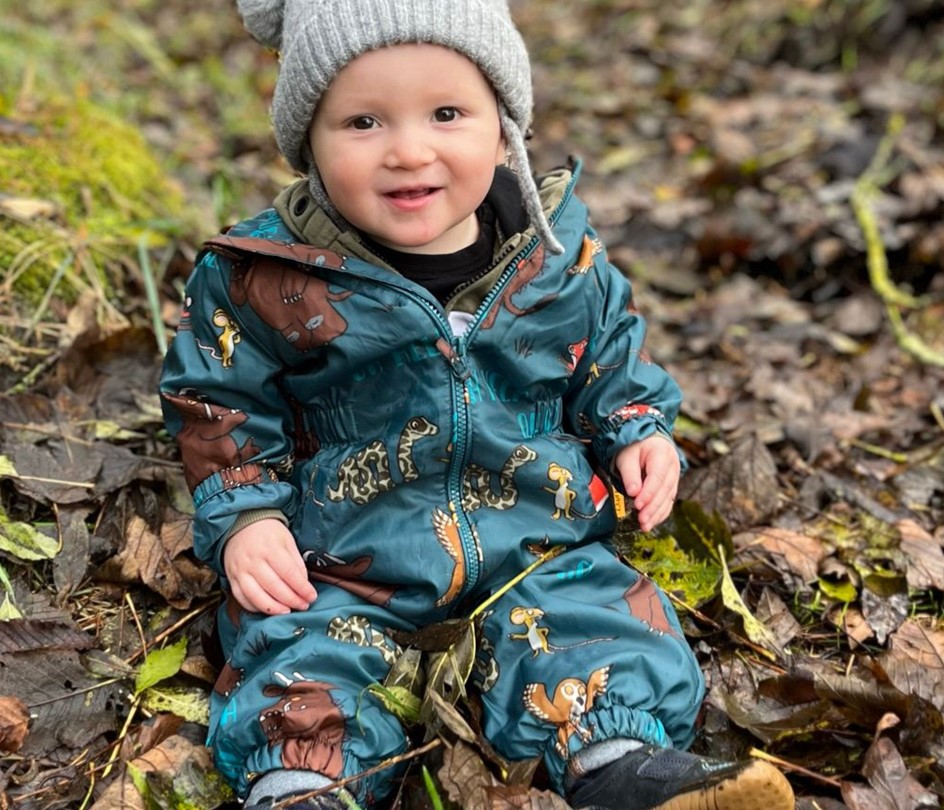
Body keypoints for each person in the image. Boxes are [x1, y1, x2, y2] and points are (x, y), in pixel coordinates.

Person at [160, 1, 796, 808]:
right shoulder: (262, 277)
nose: (409, 150)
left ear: (505, 131)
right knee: (299, 652)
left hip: (536, 537)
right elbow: (216, 399)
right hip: (344, 559)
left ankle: (625, 767)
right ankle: (303, 785)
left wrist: (636, 426)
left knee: (594, 623)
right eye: (362, 121)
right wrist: (248, 516)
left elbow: (607, 351)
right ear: (307, 146)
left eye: (448, 113)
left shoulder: (556, 256)